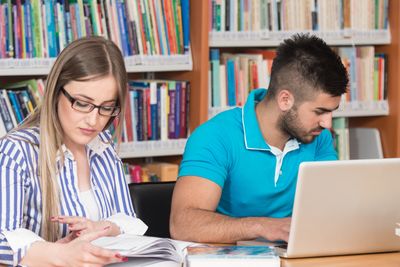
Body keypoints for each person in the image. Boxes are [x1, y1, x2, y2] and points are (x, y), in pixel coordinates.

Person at [170, 34, 349, 244]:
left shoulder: (318, 138)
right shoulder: (214, 137)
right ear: (285, 100)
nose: (327, 124)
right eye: (319, 111)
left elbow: (330, 210)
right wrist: (263, 226)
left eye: (331, 112)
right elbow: (182, 225)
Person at [0, 36, 148, 266]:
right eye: (82, 103)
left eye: (106, 108)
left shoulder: (104, 148)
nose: (93, 120)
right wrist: (57, 255)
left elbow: (128, 220)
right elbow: (3, 238)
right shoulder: (18, 150)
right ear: (57, 91)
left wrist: (104, 228)